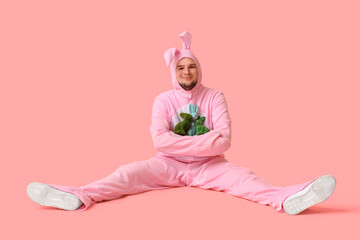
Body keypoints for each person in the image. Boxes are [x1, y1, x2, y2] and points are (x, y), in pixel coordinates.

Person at [27, 31, 336, 215]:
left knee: (247, 179)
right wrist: (206, 140)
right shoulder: (163, 100)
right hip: (167, 165)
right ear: (174, 73)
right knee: (125, 174)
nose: (187, 72)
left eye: (191, 67)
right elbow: (159, 142)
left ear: (198, 70)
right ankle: (77, 196)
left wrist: (202, 144)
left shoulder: (215, 96)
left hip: (212, 167)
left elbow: (225, 140)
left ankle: (288, 199)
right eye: (181, 68)